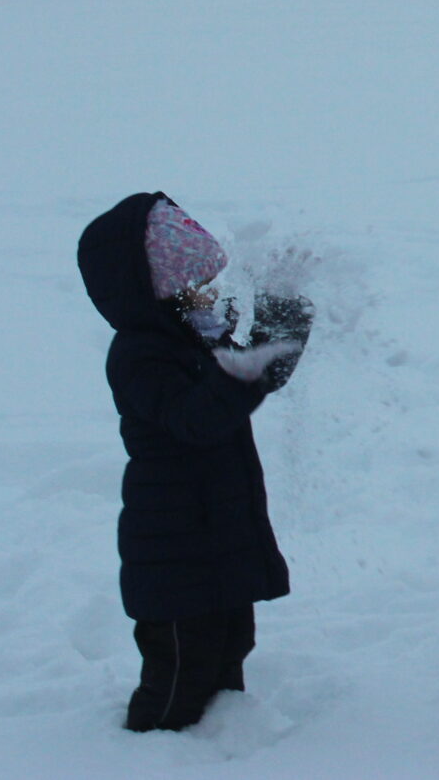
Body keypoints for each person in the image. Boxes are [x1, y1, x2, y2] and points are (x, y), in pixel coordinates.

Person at [78, 194, 310, 732]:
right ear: (158, 290)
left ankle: (220, 742)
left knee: (232, 645)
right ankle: (147, 752)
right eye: (196, 284)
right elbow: (194, 420)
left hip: (217, 530)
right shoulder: (140, 354)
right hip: (175, 544)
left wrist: (283, 314)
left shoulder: (199, 337)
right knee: (182, 667)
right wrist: (237, 377)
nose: (210, 293)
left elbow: (255, 375)